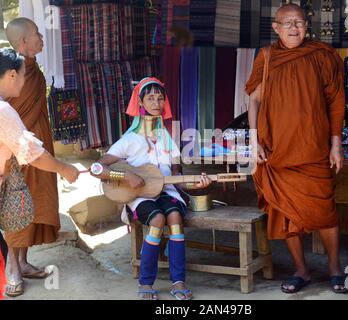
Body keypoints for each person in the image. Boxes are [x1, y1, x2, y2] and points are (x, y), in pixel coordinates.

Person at [246, 4, 348, 294]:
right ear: (276, 28)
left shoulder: (321, 55)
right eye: (287, 23)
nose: (294, 28)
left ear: (307, 26)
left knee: (325, 212)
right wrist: (254, 141)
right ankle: (301, 270)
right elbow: (254, 100)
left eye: (299, 23)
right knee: (285, 213)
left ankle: (334, 268)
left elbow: (336, 102)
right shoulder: (267, 57)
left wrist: (336, 143)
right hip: (277, 152)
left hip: (313, 149)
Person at [90, 77, 211, 300]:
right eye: (150, 98)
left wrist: (194, 184)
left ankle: (178, 281)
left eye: (160, 98)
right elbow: (97, 168)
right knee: (157, 220)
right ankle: (146, 282)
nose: (156, 102)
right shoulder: (129, 139)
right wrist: (124, 175)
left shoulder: (167, 137)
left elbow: (176, 176)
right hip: (140, 197)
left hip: (167, 192)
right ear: (141, 102)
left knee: (175, 216)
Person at [0, 48, 79, 297]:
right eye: (22, 76)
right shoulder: (3, 111)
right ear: (12, 75)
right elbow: (33, 153)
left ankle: (20, 264)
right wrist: (64, 169)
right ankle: (13, 267)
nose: (25, 81)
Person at [4, 17, 62, 292]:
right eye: (37, 34)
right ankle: (12, 268)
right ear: (24, 41)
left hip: (39, 148)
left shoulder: (34, 70)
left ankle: (24, 261)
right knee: (17, 207)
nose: (42, 37)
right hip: (19, 152)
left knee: (35, 204)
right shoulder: (11, 72)